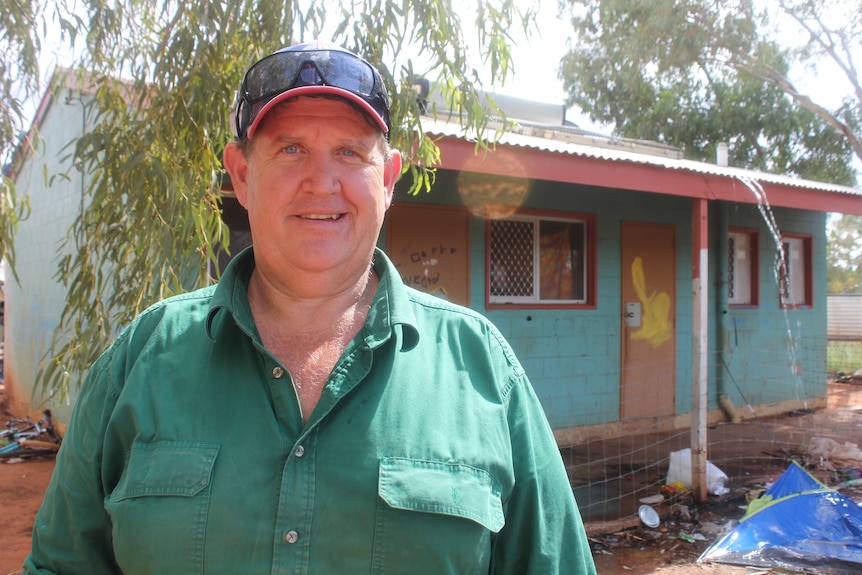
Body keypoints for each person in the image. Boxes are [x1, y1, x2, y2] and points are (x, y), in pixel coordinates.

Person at [24, 40, 597, 574]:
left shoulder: (484, 370)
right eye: (291, 149)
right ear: (242, 174)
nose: (321, 182)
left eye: (349, 152)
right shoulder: (139, 360)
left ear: (389, 179)